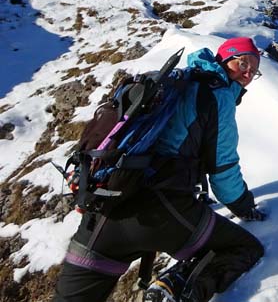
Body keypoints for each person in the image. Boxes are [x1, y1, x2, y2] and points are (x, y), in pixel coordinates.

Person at [54, 37, 266, 302]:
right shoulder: (218, 95)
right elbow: (222, 169)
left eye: (254, 69)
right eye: (242, 62)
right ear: (223, 60)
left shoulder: (179, 82)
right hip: (160, 210)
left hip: (105, 209)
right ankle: (173, 287)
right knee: (243, 247)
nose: (247, 73)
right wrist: (245, 207)